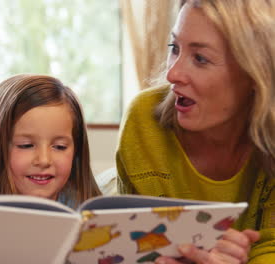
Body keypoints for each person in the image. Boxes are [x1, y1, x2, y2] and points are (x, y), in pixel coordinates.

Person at [116, 0, 274, 263]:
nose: (172, 73)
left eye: (200, 58)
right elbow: (138, 249)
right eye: (174, 48)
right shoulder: (143, 123)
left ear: (256, 74)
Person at [0, 74, 101, 207]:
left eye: (59, 147)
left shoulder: (83, 206)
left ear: (76, 150)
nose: (44, 160)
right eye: (26, 145)